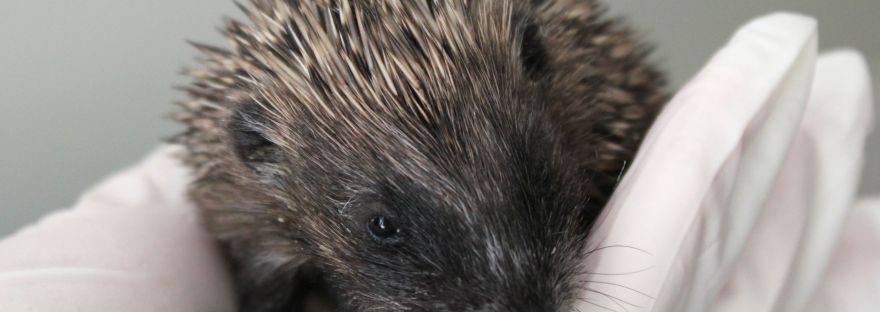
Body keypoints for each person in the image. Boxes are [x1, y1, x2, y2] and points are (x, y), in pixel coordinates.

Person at [1, 12, 877, 312]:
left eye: (529, 182)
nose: (511, 289)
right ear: (263, 159)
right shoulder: (256, 192)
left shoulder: (558, 80)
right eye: (385, 229)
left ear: (536, 71)